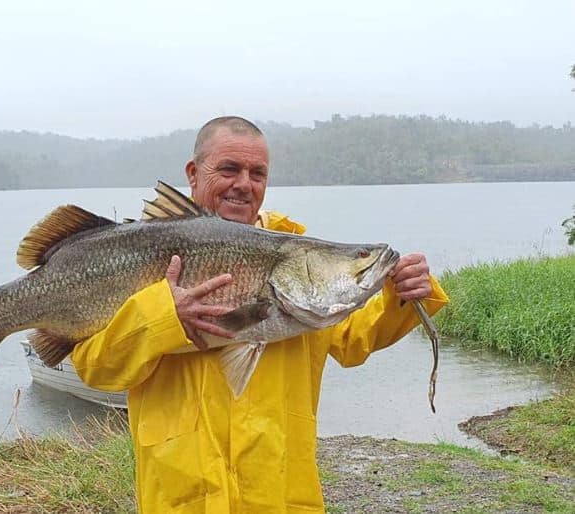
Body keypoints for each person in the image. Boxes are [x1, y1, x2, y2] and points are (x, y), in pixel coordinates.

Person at [70, 116, 448, 513]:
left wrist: (402, 296)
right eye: (229, 169)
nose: (244, 184)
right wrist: (163, 317)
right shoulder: (133, 257)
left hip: (280, 500)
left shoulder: (297, 258)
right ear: (194, 174)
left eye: (258, 173)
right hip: (181, 502)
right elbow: (95, 369)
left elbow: (354, 340)